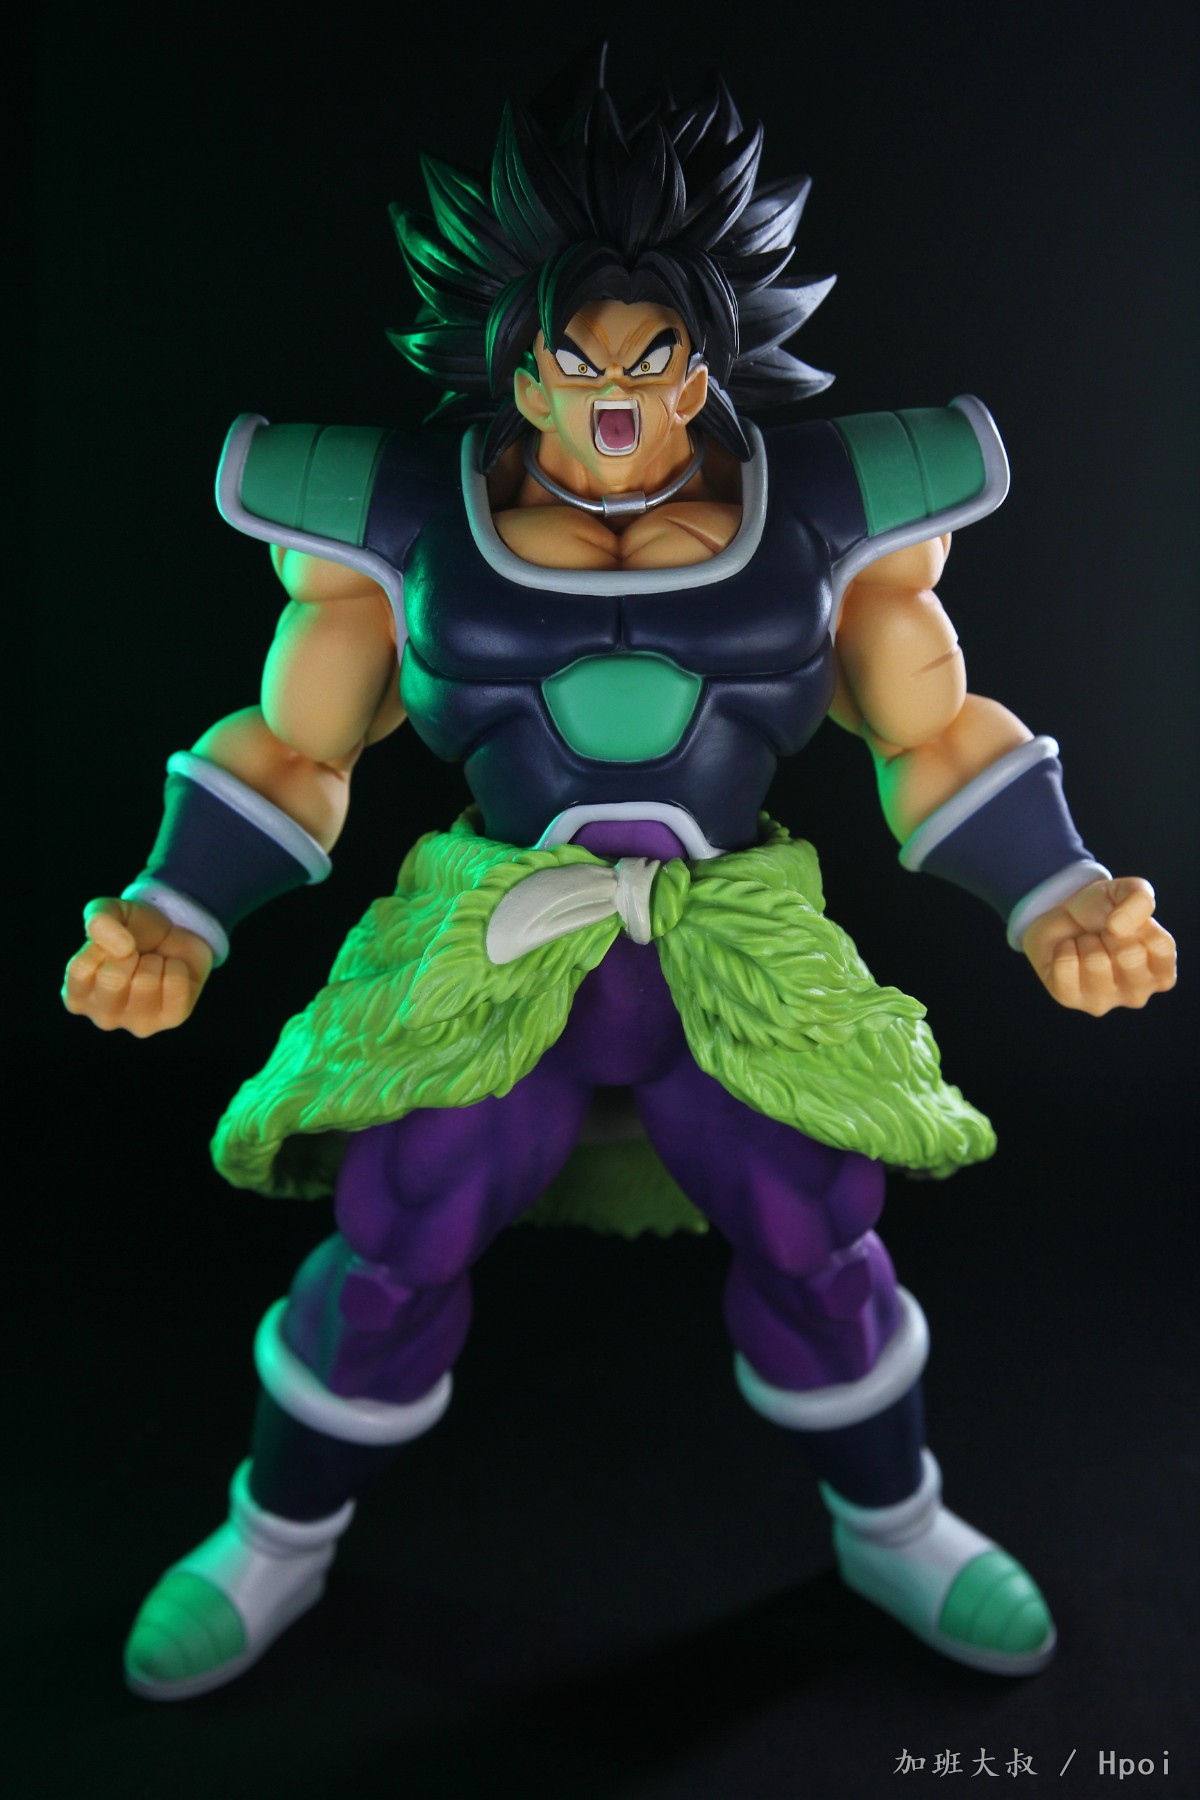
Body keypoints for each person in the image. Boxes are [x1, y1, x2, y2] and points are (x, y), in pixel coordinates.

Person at [63, 58, 1175, 1701]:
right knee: (397, 1234)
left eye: (653, 361)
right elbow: (297, 753)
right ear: (516, 369)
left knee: (818, 1232)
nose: (614, 398)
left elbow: (933, 736)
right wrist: (172, 913)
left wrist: (1060, 892)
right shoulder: (400, 524)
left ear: (706, 368)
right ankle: (273, 1540)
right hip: (494, 958)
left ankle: (898, 1526)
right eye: (578, 360)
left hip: (731, 959)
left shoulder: (828, 516)